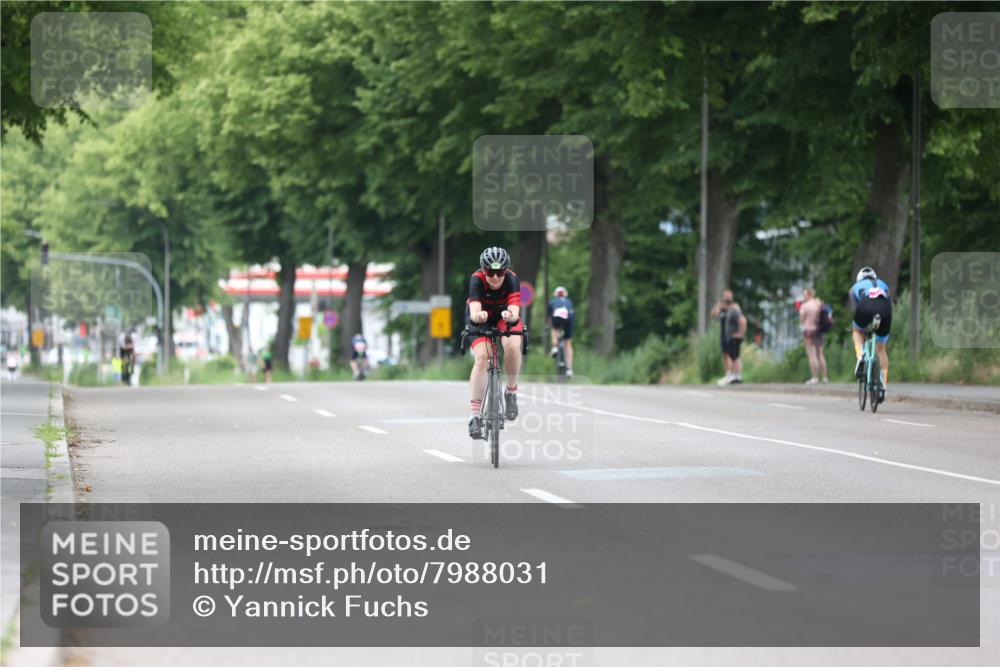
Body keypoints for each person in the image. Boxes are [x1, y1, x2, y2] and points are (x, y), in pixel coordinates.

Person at [466, 246, 522, 439]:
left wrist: (510, 315)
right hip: (479, 317)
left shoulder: (512, 279)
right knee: (483, 357)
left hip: (504, 317)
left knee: (514, 347)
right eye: (490, 272)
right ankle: (474, 416)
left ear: (506, 271)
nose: (495, 277)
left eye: (500, 272)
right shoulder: (477, 279)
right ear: (483, 270)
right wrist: (478, 315)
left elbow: (515, 310)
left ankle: (511, 392)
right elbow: (474, 311)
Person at [850, 266, 892, 401]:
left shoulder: (855, 288)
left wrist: (861, 326)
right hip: (885, 310)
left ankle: (860, 355)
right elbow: (888, 302)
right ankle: (883, 386)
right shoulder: (884, 284)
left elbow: (855, 309)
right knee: (881, 348)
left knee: (857, 331)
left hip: (866, 306)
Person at [711, 289, 747, 385]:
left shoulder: (735, 308)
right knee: (727, 355)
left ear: (732, 297)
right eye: (725, 296)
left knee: (734, 356)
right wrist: (717, 306)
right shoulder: (722, 307)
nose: (727, 298)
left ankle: (736, 375)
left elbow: (742, 319)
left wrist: (741, 333)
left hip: (733, 335)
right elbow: (713, 314)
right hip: (725, 335)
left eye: (728, 296)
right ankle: (730, 374)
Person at [799, 288, 829, 384]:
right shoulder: (819, 303)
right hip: (819, 330)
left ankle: (815, 377)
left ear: (809, 295)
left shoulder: (805, 305)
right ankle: (824, 377)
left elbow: (802, 319)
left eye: (804, 295)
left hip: (809, 331)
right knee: (820, 354)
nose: (803, 297)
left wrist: (803, 320)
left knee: (811, 354)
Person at [547, 286, 575, 377]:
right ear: (565, 294)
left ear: (556, 294)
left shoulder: (552, 301)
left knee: (554, 329)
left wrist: (552, 325)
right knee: (568, 343)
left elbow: (550, 318)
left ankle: (555, 347)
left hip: (557, 316)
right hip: (569, 317)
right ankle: (569, 369)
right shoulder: (569, 301)